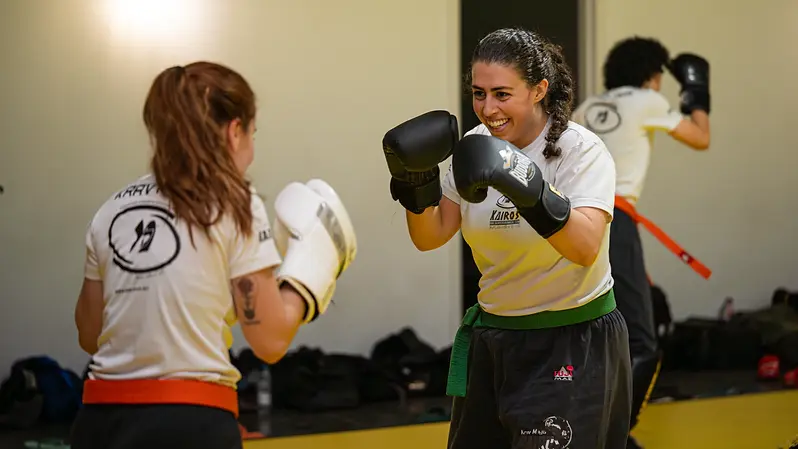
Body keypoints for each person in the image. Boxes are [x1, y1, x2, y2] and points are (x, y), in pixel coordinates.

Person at [71, 61, 357, 449]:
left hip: (99, 422)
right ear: (234, 131)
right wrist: (307, 280)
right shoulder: (234, 201)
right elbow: (269, 341)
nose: (252, 153)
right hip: (189, 421)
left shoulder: (111, 210)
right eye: (253, 134)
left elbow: (89, 335)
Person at [382, 27, 631, 449]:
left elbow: (585, 247)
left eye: (502, 94)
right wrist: (415, 183)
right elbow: (431, 235)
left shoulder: (579, 150)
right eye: (479, 93)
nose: (487, 108)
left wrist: (524, 185)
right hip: (495, 338)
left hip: (569, 337)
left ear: (539, 90)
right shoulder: (475, 145)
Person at [571, 36, 712, 449]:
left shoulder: (587, 106)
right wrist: (697, 90)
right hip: (613, 220)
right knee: (640, 339)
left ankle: (586, 424)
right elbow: (700, 137)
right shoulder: (647, 100)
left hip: (570, 222)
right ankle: (608, 433)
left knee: (589, 330)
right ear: (652, 77)